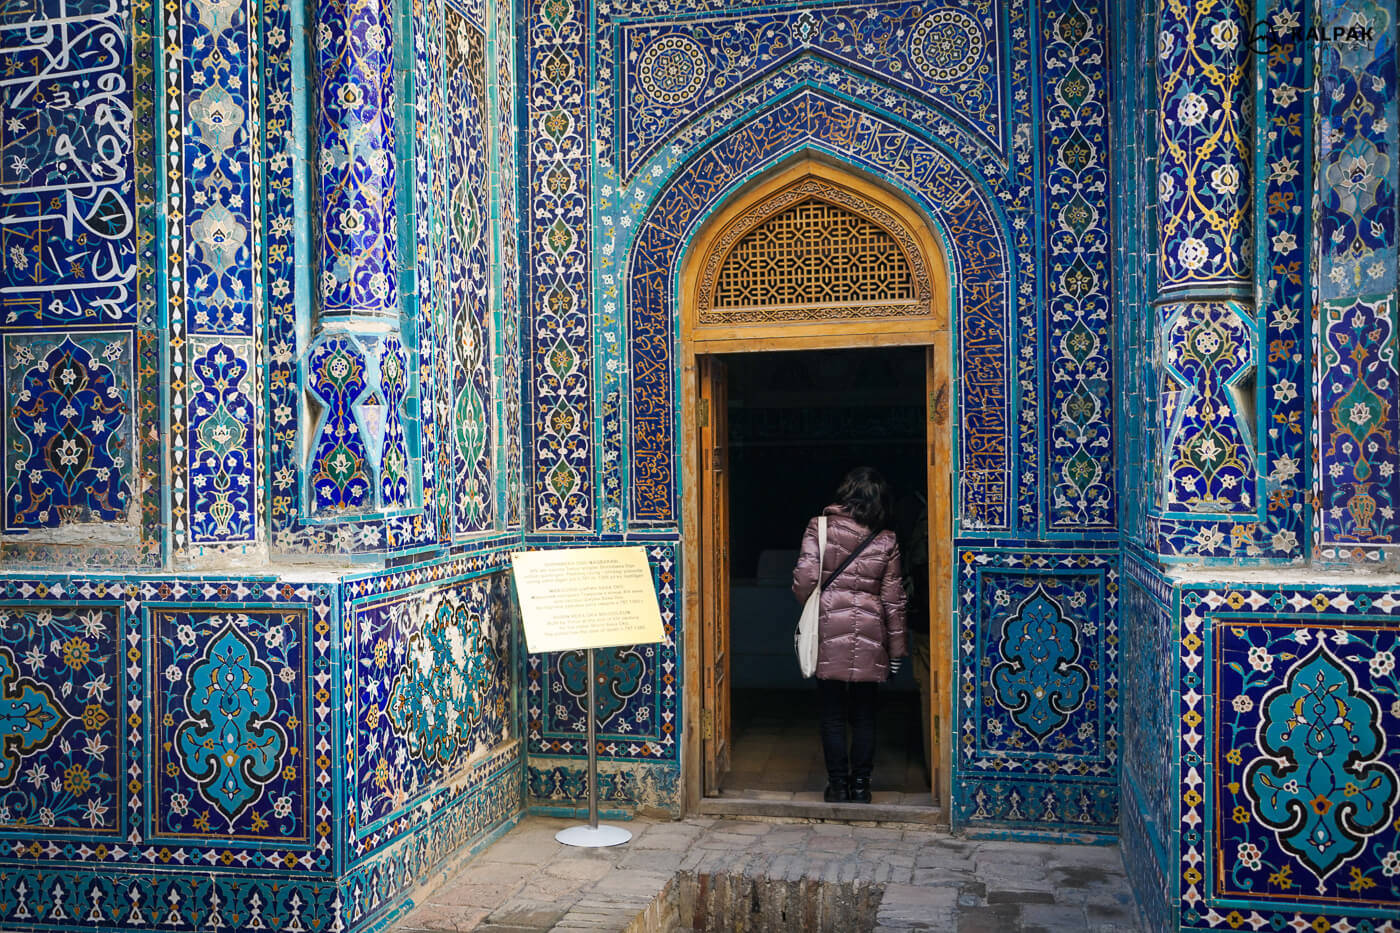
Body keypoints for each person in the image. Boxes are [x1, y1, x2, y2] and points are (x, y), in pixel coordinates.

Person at [791, 466, 908, 804]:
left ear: (846, 494)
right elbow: (893, 599)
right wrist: (897, 650)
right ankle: (861, 787)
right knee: (865, 714)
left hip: (828, 627)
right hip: (872, 632)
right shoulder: (887, 539)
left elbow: (804, 579)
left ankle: (838, 786)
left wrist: (819, 602)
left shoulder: (820, 526)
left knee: (831, 714)